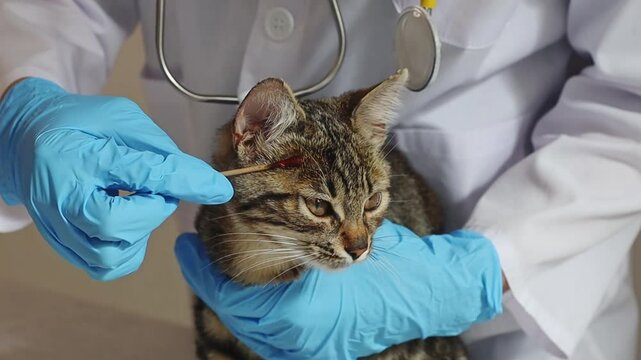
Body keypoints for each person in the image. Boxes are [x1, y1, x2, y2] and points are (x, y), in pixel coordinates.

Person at [0, 1, 639, 359]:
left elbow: (629, 101)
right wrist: (19, 106)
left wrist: (488, 267)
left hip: (510, 321)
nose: (361, 240)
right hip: (267, 224)